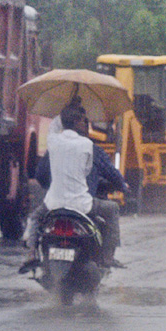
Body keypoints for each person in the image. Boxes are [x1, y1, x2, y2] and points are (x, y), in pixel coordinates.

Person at [20, 102, 125, 271]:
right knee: (112, 209)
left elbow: (41, 173)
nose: (86, 124)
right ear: (76, 122)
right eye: (83, 120)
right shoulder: (88, 146)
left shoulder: (53, 141)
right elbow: (88, 169)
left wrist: (68, 103)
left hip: (53, 203)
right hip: (82, 204)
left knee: (35, 218)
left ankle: (32, 253)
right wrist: (123, 186)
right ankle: (108, 256)